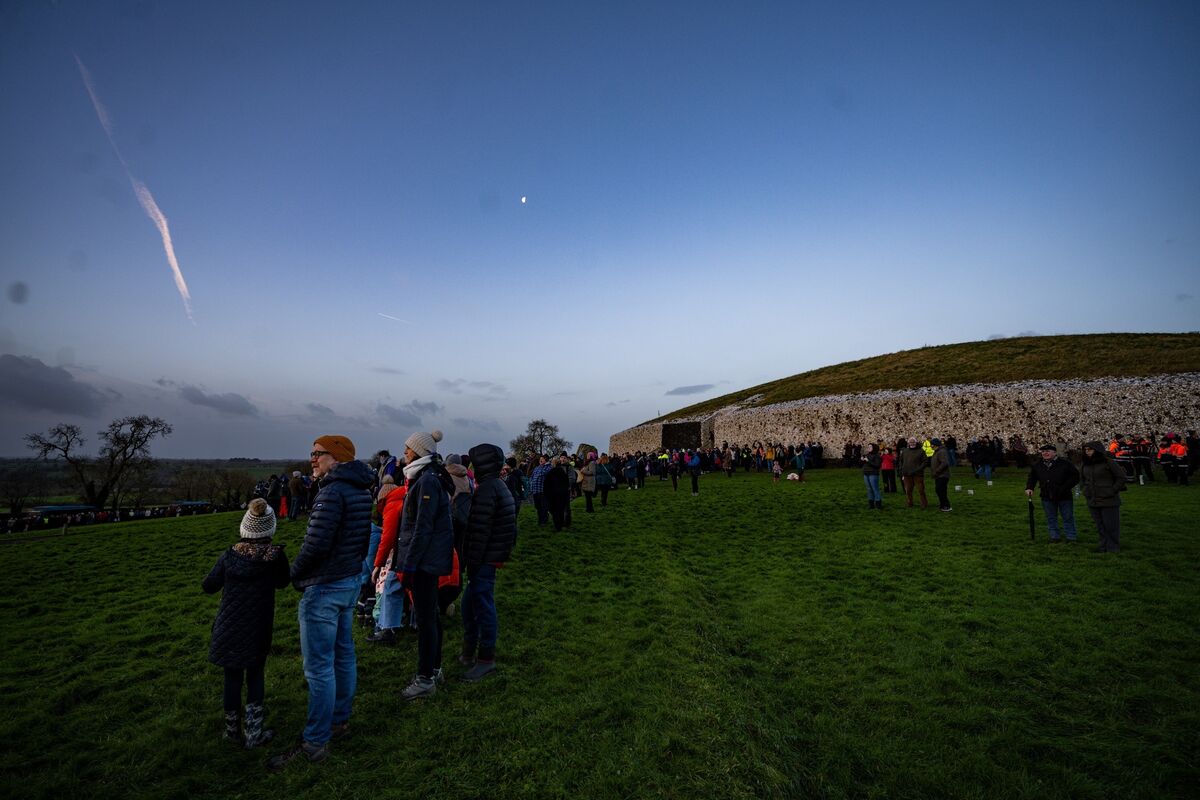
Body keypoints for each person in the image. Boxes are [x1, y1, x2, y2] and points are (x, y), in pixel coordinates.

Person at [267, 435, 373, 771]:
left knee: (319, 668)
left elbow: (315, 544)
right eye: (311, 453)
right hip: (348, 581)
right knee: (344, 656)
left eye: (318, 454)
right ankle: (340, 721)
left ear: (337, 457)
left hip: (325, 586)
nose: (312, 459)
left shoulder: (332, 491)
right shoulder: (359, 487)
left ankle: (315, 740)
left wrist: (291, 575)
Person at [202, 498, 290, 749]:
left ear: (245, 526)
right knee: (255, 675)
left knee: (231, 677)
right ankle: (253, 732)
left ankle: (231, 731)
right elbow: (284, 582)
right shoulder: (275, 556)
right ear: (270, 528)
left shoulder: (230, 555)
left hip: (228, 625)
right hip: (258, 626)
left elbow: (208, 586)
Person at [393, 429, 455, 699]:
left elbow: (422, 527)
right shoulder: (425, 478)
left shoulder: (427, 481)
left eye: (408, 448)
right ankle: (434, 668)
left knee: (426, 620)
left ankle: (425, 678)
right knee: (430, 616)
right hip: (425, 560)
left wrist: (409, 565)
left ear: (419, 452)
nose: (404, 452)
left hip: (423, 562)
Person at [459, 443, 518, 682]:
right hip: (490, 556)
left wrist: (471, 563)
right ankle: (469, 650)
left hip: (484, 559)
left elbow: (479, 531)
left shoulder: (487, 489)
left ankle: (485, 659)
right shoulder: (497, 486)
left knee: (483, 607)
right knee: (468, 605)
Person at [1025, 443, 1080, 543]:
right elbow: (1032, 477)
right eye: (1043, 451)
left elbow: (1075, 477)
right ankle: (1054, 536)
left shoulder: (1065, 463)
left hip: (1064, 495)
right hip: (1046, 495)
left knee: (1067, 517)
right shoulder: (1037, 465)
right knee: (1051, 517)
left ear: (1054, 452)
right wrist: (1029, 488)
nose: (1045, 453)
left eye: (1048, 451)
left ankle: (1071, 537)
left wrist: (1065, 487)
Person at [1081, 441, 1128, 553]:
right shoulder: (1085, 464)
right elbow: (1082, 479)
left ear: (1097, 450)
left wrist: (1112, 490)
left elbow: (1121, 477)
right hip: (1092, 499)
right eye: (1086, 450)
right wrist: (1085, 490)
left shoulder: (1109, 462)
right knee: (1100, 526)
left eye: (1090, 449)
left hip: (1108, 500)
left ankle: (1112, 547)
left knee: (1111, 526)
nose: (1087, 452)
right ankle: (1103, 546)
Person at [898, 437, 928, 509]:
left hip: (917, 474)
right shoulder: (905, 451)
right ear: (908, 443)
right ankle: (910, 502)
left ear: (916, 443)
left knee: (921, 490)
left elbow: (925, 462)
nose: (912, 443)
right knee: (908, 490)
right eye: (910, 442)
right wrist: (902, 471)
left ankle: (924, 503)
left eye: (913, 442)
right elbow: (901, 461)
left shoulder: (921, 451)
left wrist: (919, 469)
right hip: (907, 474)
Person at [543, 455, 572, 531]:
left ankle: (557, 526)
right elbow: (567, 483)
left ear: (554, 464)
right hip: (563, 494)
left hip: (554, 495)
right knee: (561, 510)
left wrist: (546, 494)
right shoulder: (563, 472)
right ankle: (561, 524)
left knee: (554, 510)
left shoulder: (551, 472)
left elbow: (546, 484)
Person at [930, 438, 952, 512]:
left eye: (931, 444)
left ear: (935, 444)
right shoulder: (937, 452)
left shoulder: (941, 452)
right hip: (939, 475)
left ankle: (946, 505)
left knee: (940, 490)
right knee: (940, 490)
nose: (930, 446)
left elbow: (944, 463)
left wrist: (937, 471)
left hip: (942, 475)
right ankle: (943, 505)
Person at [862, 443, 882, 509]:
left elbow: (877, 465)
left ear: (874, 448)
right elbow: (864, 465)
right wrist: (862, 460)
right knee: (869, 489)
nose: (869, 448)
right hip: (866, 473)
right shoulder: (867, 455)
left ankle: (878, 504)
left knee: (875, 489)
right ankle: (871, 504)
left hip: (873, 473)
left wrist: (868, 461)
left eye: (870, 447)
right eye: (868, 447)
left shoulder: (877, 456)